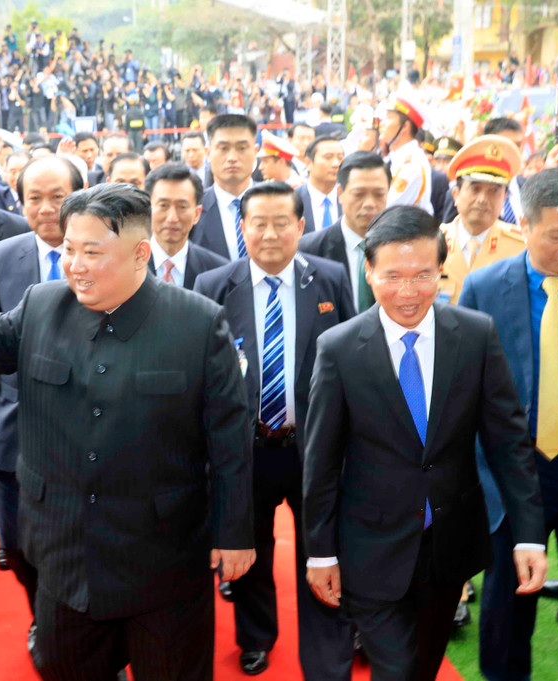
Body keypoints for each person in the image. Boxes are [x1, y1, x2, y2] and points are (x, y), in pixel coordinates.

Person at [0, 182, 255, 681]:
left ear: (139, 254)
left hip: (163, 562)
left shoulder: (197, 322)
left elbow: (229, 437)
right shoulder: (42, 305)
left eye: (92, 252)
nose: (74, 265)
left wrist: (235, 532)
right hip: (65, 559)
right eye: (68, 249)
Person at [303, 205, 547, 681]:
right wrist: (320, 551)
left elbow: (508, 442)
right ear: (368, 271)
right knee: (397, 670)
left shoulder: (475, 336)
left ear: (442, 268)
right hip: (369, 545)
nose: (409, 292)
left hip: (448, 545)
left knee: (424, 666)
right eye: (393, 276)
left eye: (423, 275)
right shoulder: (339, 348)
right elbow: (322, 461)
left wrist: (530, 533)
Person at [194, 181, 354, 679]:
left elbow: (352, 356)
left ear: (301, 226)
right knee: (251, 549)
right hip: (248, 449)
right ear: (242, 228)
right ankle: (255, 637)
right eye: (257, 222)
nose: (269, 233)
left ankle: (328, 650)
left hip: (315, 446)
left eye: (281, 222)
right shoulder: (214, 286)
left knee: (322, 546)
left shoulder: (328, 278)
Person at [460, 168, 558, 681]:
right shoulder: (484, 288)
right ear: (525, 226)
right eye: (556, 235)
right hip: (511, 474)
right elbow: (465, 397)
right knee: (506, 613)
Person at [0, 155, 84, 653]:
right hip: (17, 432)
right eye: (33, 199)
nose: (45, 209)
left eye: (57, 196)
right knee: (19, 547)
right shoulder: (4, 255)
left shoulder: (106, 252)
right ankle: (42, 614)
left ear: (80, 195)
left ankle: (91, 634)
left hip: (88, 431)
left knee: (87, 548)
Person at [437, 135, 525, 305]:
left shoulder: (521, 246)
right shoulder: (433, 241)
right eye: (475, 189)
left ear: (504, 198)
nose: (483, 199)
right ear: (456, 195)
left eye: (494, 191)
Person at [299, 151, 390, 313]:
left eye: (378, 194)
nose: (369, 204)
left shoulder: (402, 248)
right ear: (340, 194)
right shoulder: (309, 251)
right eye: (359, 194)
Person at [144, 162, 226, 288]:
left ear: (197, 214)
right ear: (148, 209)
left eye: (182, 207)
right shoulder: (127, 267)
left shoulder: (218, 271)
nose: (172, 218)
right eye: (163, 205)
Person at [191, 114, 258, 261]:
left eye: (241, 148)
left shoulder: (276, 203)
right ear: (208, 153)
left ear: (255, 152)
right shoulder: (193, 209)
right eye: (223, 148)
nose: (232, 157)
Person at [380, 95, 434, 215]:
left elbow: (387, 209)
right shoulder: (399, 158)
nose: (382, 123)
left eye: (389, 117)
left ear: (405, 126)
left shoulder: (412, 164)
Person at [295, 135, 344, 233]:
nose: (336, 164)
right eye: (328, 157)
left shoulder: (349, 199)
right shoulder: (294, 200)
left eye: (340, 158)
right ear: (308, 163)